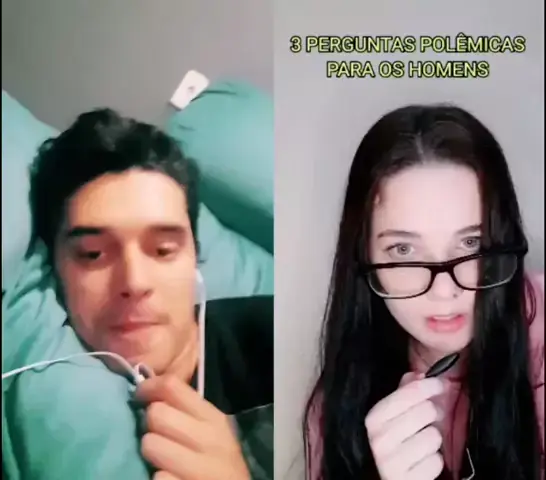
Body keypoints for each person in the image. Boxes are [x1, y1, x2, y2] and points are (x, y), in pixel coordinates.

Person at [28, 108, 273, 479]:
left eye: (163, 250)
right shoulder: (60, 402)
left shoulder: (287, 339)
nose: (135, 282)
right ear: (54, 268)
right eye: (93, 254)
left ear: (194, 257)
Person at [303, 105, 544, 480]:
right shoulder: (338, 407)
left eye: (471, 243)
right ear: (363, 257)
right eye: (404, 251)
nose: (444, 291)